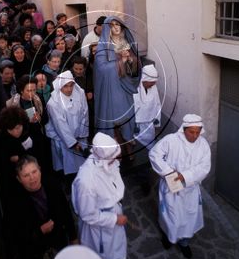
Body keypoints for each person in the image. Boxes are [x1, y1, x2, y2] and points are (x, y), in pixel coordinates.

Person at [5, 155, 78, 259]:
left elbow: (65, 211)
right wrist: (39, 231)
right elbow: (16, 236)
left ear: (40, 171)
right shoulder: (14, 202)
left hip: (59, 242)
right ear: (19, 179)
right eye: (26, 175)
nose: (32, 178)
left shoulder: (52, 185)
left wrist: (74, 237)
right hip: (38, 254)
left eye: (34, 172)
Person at [149, 114, 211, 259]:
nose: (195, 136)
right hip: (171, 188)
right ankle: (169, 238)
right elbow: (154, 155)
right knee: (170, 216)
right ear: (184, 129)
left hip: (190, 191)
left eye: (198, 132)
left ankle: (184, 243)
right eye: (191, 132)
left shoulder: (203, 145)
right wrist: (168, 172)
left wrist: (185, 175)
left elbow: (205, 167)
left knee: (188, 219)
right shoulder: (171, 140)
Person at [72, 133, 128, 259]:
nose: (116, 161)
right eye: (113, 158)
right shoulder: (86, 181)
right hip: (100, 230)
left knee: (120, 258)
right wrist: (115, 219)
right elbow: (88, 215)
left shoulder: (106, 161)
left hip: (113, 217)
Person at [93, 17, 141, 157]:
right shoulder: (103, 45)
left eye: (118, 24)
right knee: (114, 119)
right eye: (112, 25)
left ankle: (128, 146)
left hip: (125, 88)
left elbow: (135, 67)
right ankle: (115, 152)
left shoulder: (126, 42)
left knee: (127, 118)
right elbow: (101, 69)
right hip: (111, 88)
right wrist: (121, 61)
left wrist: (131, 60)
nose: (116, 27)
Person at [45, 71, 89, 177]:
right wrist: (72, 142)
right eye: (65, 86)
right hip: (63, 139)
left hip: (79, 135)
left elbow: (85, 114)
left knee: (83, 166)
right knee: (68, 165)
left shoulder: (80, 93)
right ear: (60, 86)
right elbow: (60, 125)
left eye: (71, 86)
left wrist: (81, 134)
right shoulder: (53, 103)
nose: (69, 89)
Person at [133, 64, 162, 150]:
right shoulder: (134, 87)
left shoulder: (153, 87)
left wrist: (158, 123)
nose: (153, 85)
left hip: (150, 124)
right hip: (137, 126)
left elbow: (157, 104)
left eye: (154, 83)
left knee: (150, 147)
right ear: (145, 79)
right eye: (151, 82)